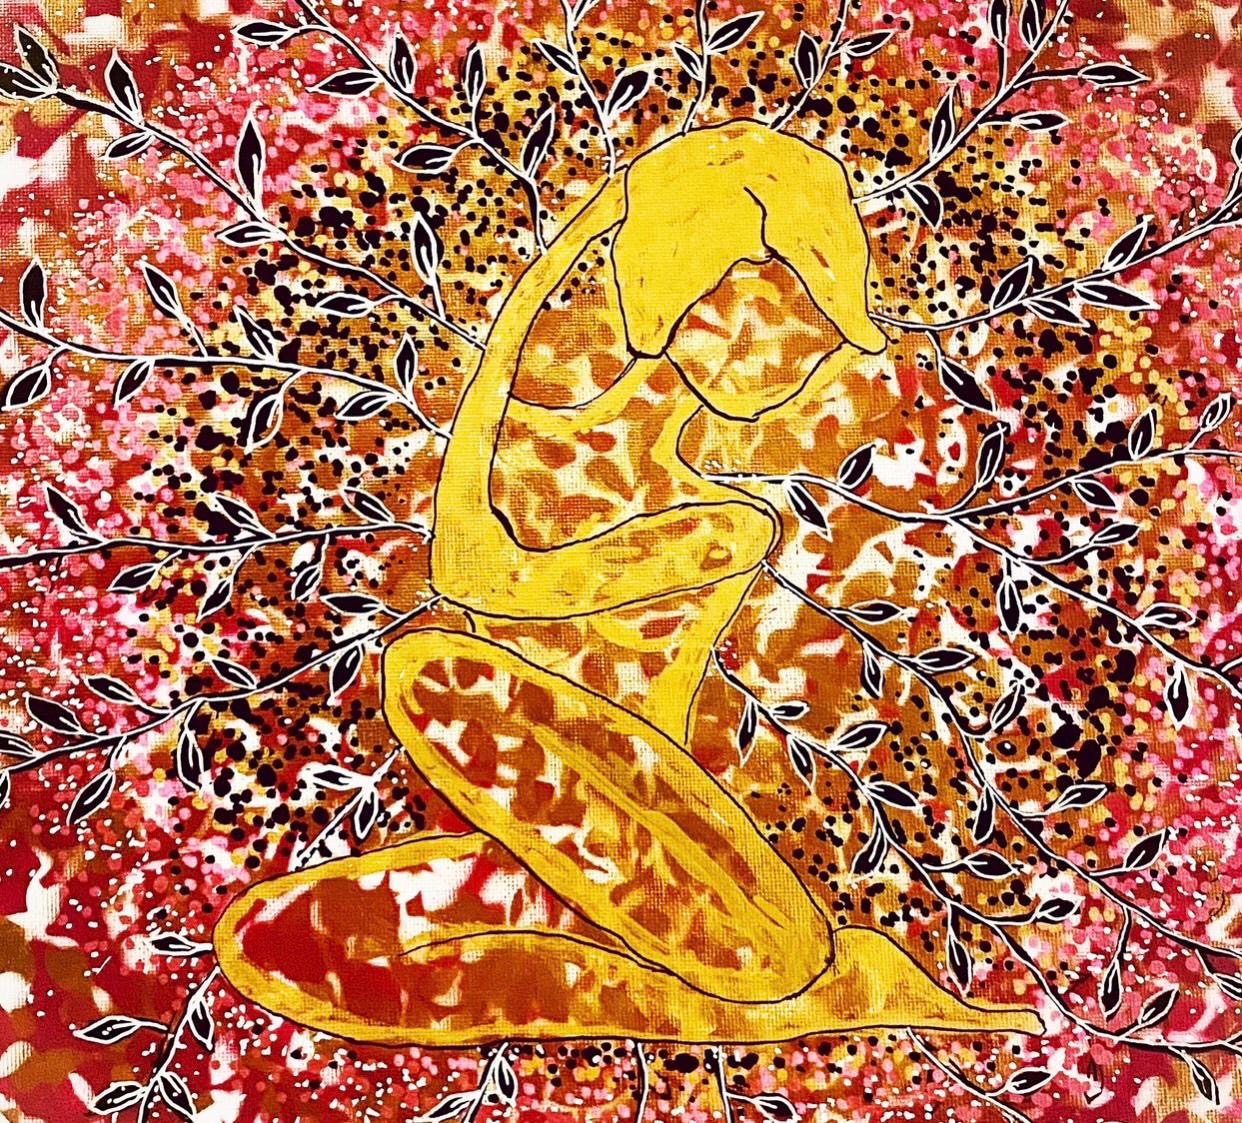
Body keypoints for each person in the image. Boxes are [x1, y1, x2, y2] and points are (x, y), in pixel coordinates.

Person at [214, 122, 1041, 1046]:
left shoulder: (707, 482)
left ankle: (770, 976)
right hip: (539, 789)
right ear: (678, 287)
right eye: (758, 316)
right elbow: (469, 566)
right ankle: (788, 983)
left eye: (810, 334)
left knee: (417, 710)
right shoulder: (567, 412)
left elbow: (490, 569)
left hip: (648, 842)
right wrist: (576, 249)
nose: (782, 359)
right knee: (278, 927)